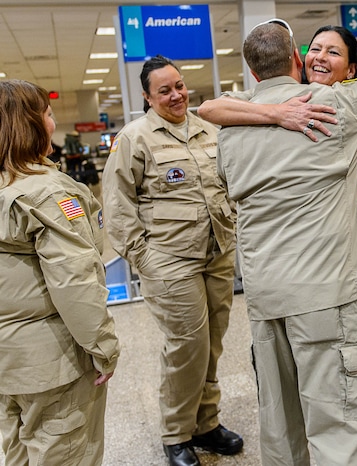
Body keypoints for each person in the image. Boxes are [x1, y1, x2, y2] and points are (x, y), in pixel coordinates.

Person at [199, 24, 357, 466]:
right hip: (330, 284)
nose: (321, 58)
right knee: (339, 409)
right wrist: (279, 112)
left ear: (351, 65)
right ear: (297, 59)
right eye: (315, 50)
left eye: (334, 51)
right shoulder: (330, 107)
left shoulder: (236, 123)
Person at [101, 55, 242, 466]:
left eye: (179, 86)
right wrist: (144, 259)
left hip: (216, 253)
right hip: (169, 262)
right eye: (164, 90)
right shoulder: (135, 138)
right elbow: (117, 205)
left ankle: (207, 424)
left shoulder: (209, 129)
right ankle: (176, 433)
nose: (177, 95)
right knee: (188, 346)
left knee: (213, 343)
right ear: (147, 97)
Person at [0, 79, 120, 464]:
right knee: (65, 452)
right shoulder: (48, 194)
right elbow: (75, 282)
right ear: (32, 125)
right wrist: (103, 349)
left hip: (8, 362)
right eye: (48, 114)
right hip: (52, 364)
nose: (53, 122)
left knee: (17, 449)